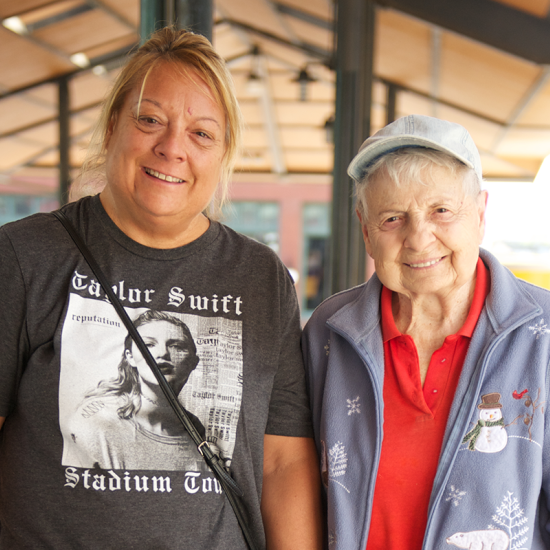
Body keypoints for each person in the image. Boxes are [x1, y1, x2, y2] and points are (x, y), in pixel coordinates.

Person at [0, 27, 321, 549]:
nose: (172, 148)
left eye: (201, 134)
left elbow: (283, 463)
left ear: (222, 155)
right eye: (150, 120)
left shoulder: (260, 278)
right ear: (112, 129)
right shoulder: (23, 258)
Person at [302, 114, 550, 549]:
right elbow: (297, 486)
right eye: (392, 218)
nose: (418, 238)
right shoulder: (328, 333)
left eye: (441, 211)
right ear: (365, 231)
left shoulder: (542, 334)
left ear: (480, 213)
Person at [66, 309, 209, 471]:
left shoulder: (198, 430)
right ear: (130, 357)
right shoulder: (96, 420)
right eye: (148, 344)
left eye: (176, 346)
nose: (162, 353)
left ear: (193, 362)